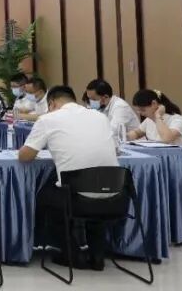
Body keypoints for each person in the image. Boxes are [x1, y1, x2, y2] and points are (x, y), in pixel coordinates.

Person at [19, 85, 120, 270]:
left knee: (43, 198)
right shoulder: (100, 117)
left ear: (52, 103)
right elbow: (115, 149)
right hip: (115, 196)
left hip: (76, 198)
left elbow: (25, 156)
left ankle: (72, 254)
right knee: (94, 194)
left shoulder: (47, 119)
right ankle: (97, 256)